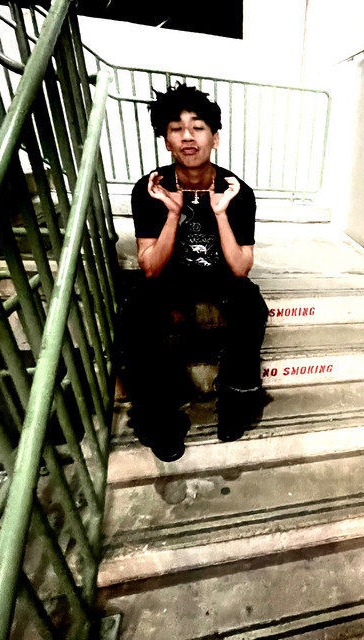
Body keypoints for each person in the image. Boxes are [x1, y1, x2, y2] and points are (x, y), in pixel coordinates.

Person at [121, 83, 269, 462]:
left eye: (198, 127)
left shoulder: (237, 191)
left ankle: (235, 403)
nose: (188, 136)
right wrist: (172, 213)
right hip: (170, 276)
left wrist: (221, 213)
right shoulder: (150, 189)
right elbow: (150, 267)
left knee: (251, 307)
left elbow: (240, 267)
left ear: (214, 139)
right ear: (167, 141)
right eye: (177, 128)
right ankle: (161, 419)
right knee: (137, 312)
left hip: (220, 276)